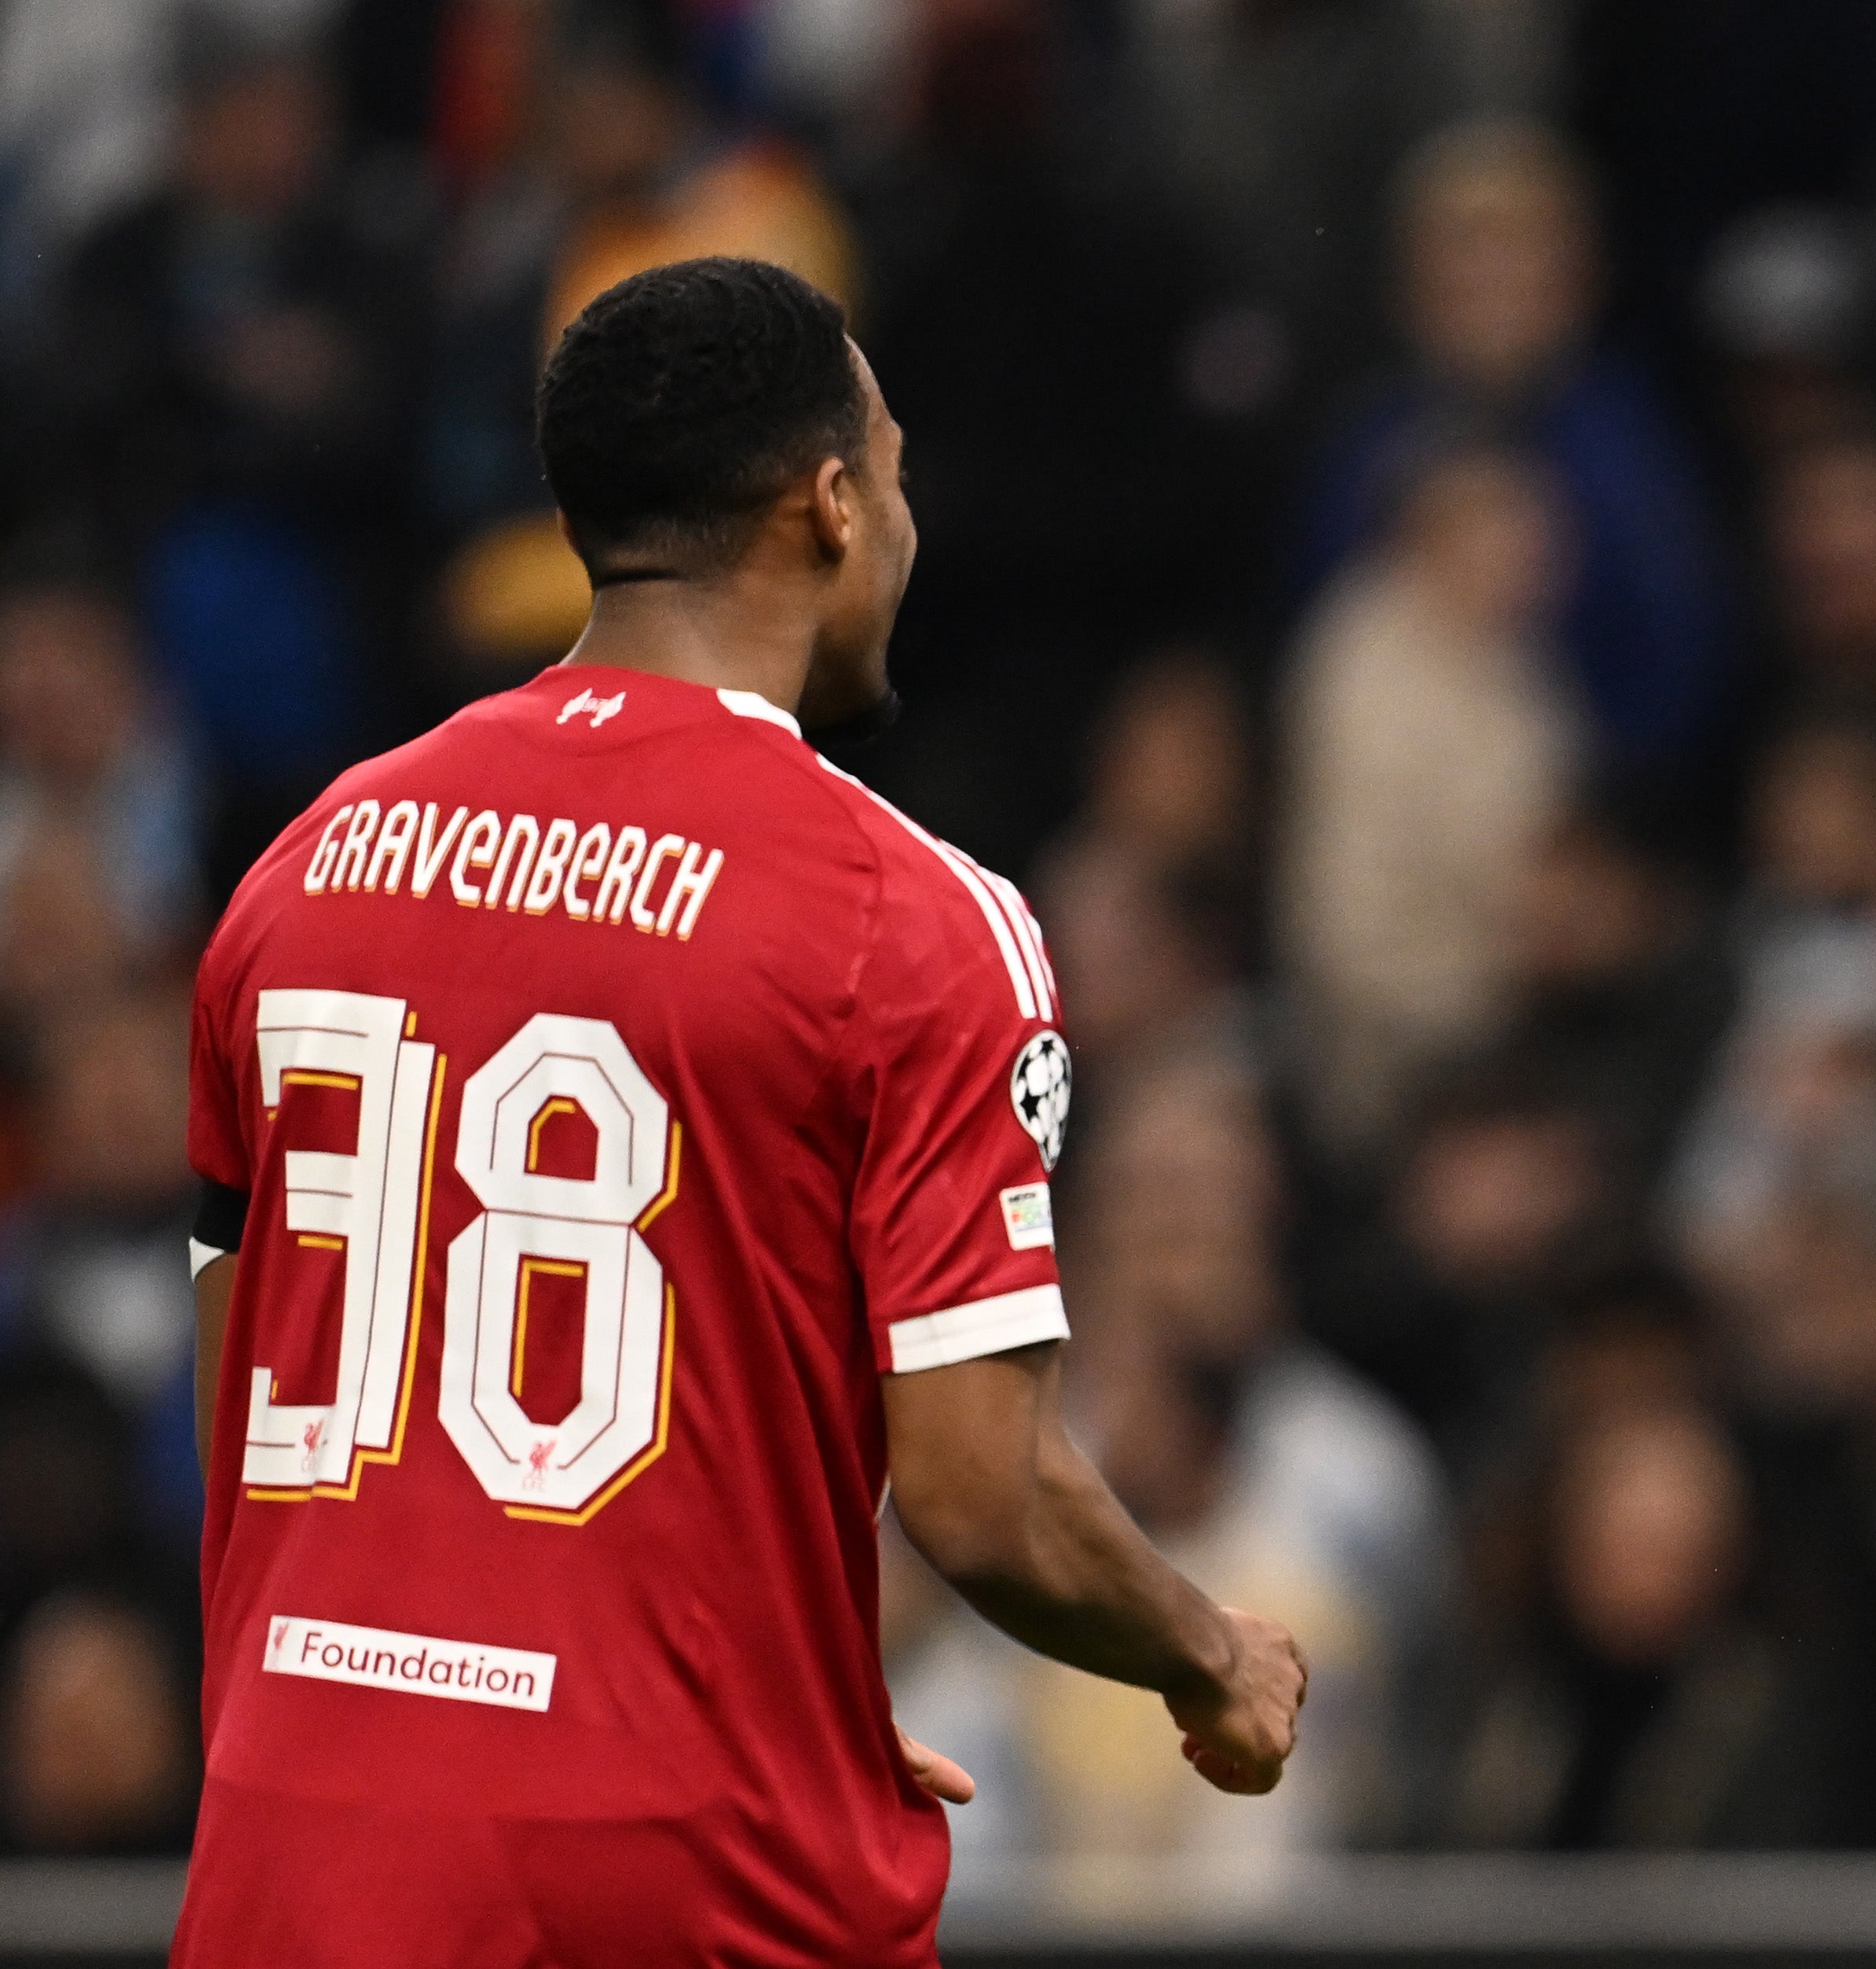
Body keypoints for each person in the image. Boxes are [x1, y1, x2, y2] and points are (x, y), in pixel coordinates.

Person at [171, 259, 1306, 1966]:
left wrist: (778, 1697)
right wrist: (1211, 1653)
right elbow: (987, 1501)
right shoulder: (904, 919)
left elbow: (249, 1408)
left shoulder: (302, 871)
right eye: (896, 475)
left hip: (298, 1858)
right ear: (833, 505)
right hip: (685, 1892)